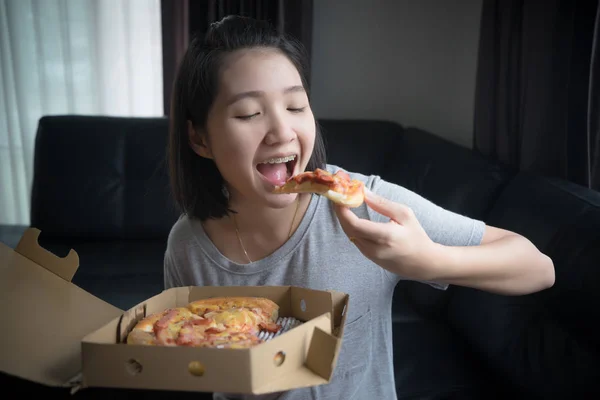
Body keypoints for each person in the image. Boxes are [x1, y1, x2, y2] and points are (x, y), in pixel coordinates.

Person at [164, 15, 555, 400]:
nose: (282, 132)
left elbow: (538, 267)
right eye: (250, 113)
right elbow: (195, 363)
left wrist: (428, 261)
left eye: (296, 106)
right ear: (199, 138)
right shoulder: (187, 246)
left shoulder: (363, 203)